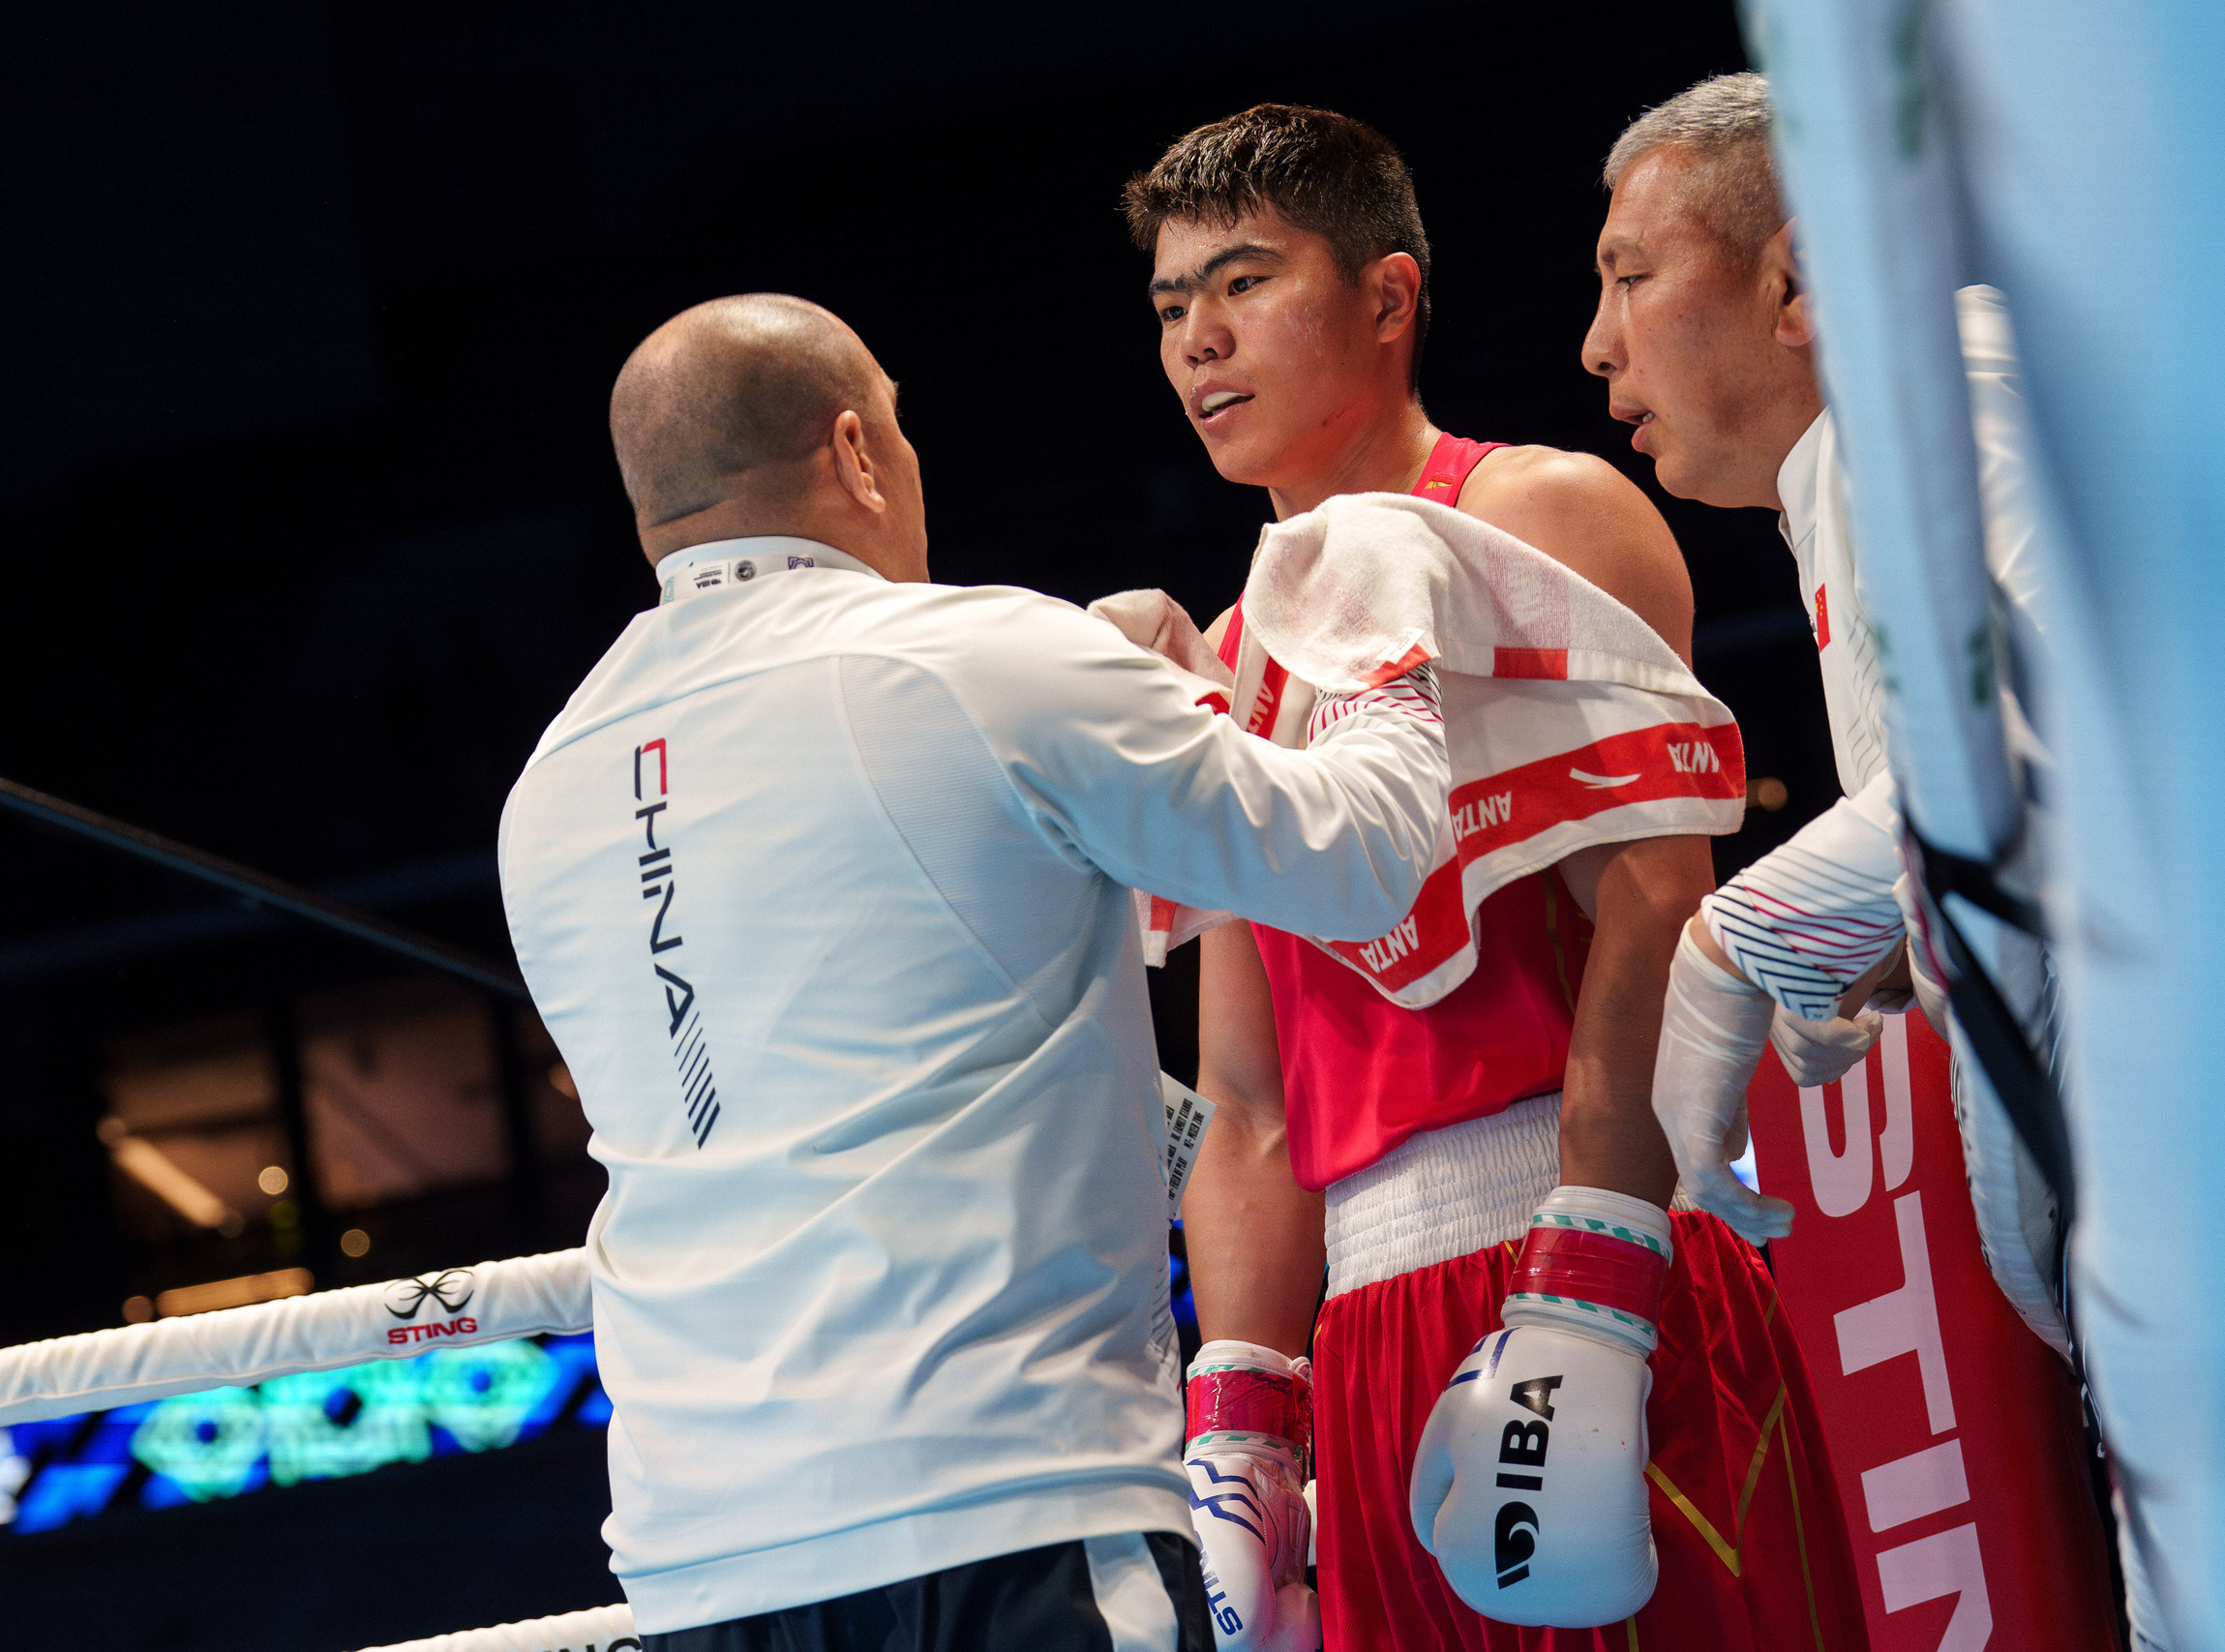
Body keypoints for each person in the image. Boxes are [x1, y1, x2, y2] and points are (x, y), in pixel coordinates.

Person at [497, 292, 1462, 1650]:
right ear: (857, 451)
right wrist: (1374, 630)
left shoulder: (546, 785)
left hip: (700, 1562)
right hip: (1008, 1507)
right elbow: (1366, 860)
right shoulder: (981, 655)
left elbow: (889, 992)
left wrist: (1111, 726)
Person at [1121, 105, 1865, 1650]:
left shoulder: (1536, 512)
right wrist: (1244, 1423)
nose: (1200, 339)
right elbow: (1249, 1101)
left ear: (1388, 297)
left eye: (1245, 283)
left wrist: (1589, 1282)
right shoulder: (1239, 657)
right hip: (1371, 1333)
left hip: (1599, 1247)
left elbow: (1655, 901)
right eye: (1172, 304)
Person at [1586, 73, 2120, 1650]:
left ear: (1800, 278)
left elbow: (2065, 724)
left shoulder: (1936, 398)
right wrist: (1905, 951)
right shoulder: (1866, 470)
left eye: (1629, 277)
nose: (1598, 347)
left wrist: (1740, 940)